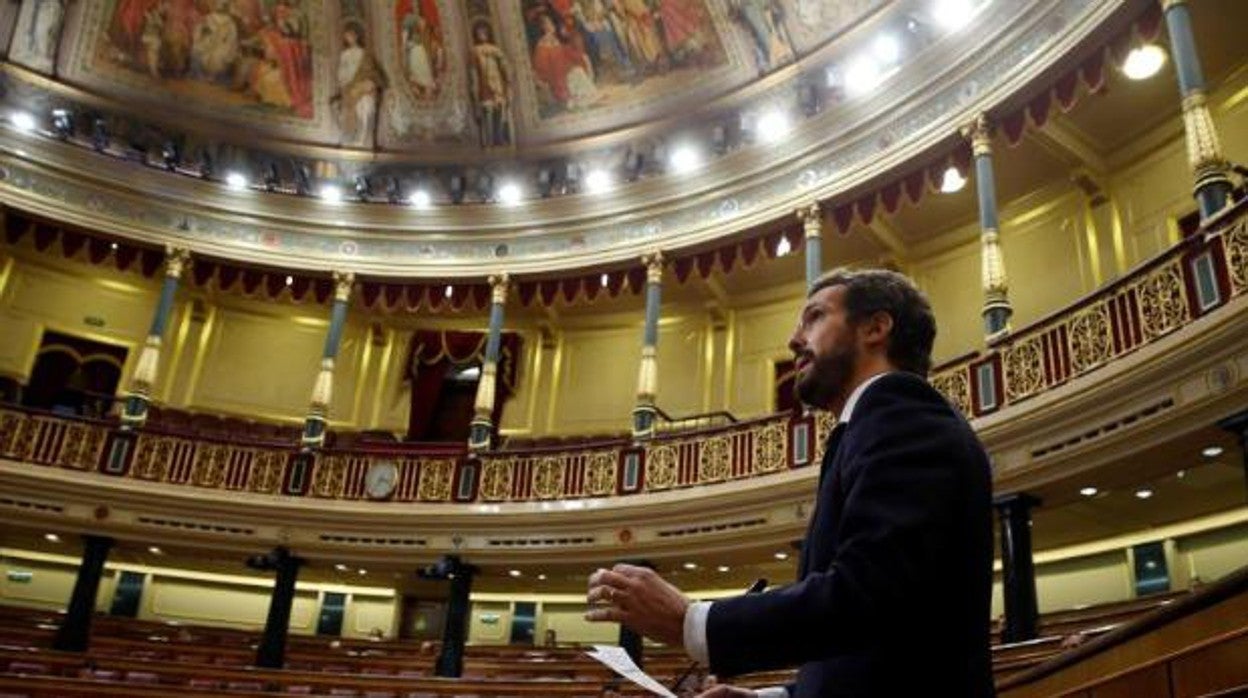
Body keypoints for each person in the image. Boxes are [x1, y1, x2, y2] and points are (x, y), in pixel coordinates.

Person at [586, 268, 994, 697]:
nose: (794, 340)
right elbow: (878, 647)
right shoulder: (870, 428)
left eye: (815, 317)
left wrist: (690, 621)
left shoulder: (904, 418)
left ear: (876, 327)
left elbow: (868, 597)